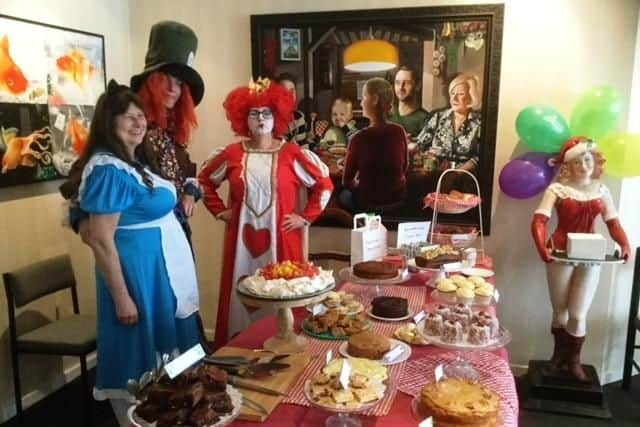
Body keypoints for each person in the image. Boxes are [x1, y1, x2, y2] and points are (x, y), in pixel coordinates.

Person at [60, 81, 200, 426]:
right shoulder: (108, 169)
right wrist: (122, 298)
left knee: (172, 353)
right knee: (140, 359)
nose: (139, 122)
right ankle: (141, 420)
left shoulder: (135, 163)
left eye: (141, 116)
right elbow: (101, 239)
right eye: (128, 116)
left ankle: (176, 413)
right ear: (109, 122)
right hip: (138, 276)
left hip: (162, 272)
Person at [198, 77, 333, 348]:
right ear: (243, 119)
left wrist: (305, 217)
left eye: (267, 113)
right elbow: (203, 181)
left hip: (283, 241)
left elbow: (324, 185)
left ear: (277, 116)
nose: (261, 118)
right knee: (242, 296)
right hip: (240, 245)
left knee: (285, 298)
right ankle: (240, 352)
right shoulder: (232, 154)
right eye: (253, 113)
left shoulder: (293, 154)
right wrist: (219, 211)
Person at [531, 136, 630, 382]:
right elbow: (539, 220)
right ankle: (558, 358)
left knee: (578, 312)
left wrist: (624, 243)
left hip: (591, 255)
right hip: (561, 253)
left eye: (587, 159)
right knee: (560, 311)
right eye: (577, 162)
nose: (583, 165)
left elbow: (613, 223)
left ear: (594, 161)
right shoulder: (557, 189)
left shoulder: (602, 190)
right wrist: (541, 246)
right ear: (568, 166)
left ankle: (574, 360)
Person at [340, 77, 408, 212]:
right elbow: (404, 168)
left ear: (375, 100)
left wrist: (361, 184)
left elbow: (347, 182)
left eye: (364, 97)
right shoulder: (400, 131)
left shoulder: (358, 139)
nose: (361, 103)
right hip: (397, 199)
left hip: (369, 203)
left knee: (341, 195)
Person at [416, 72, 481, 173]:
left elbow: (480, 157)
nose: (454, 98)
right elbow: (420, 144)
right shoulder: (438, 117)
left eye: (460, 94)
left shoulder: (479, 123)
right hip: (433, 173)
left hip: (464, 177)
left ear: (471, 97)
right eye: (452, 93)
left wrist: (457, 172)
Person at [389, 66, 429, 138]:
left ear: (417, 86)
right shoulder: (386, 113)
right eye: (397, 82)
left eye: (407, 83)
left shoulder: (425, 119)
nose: (401, 87)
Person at [275, 72, 309, 147]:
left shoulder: (299, 117)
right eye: (284, 91)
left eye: (292, 90)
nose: (289, 94)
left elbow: (303, 146)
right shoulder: (270, 119)